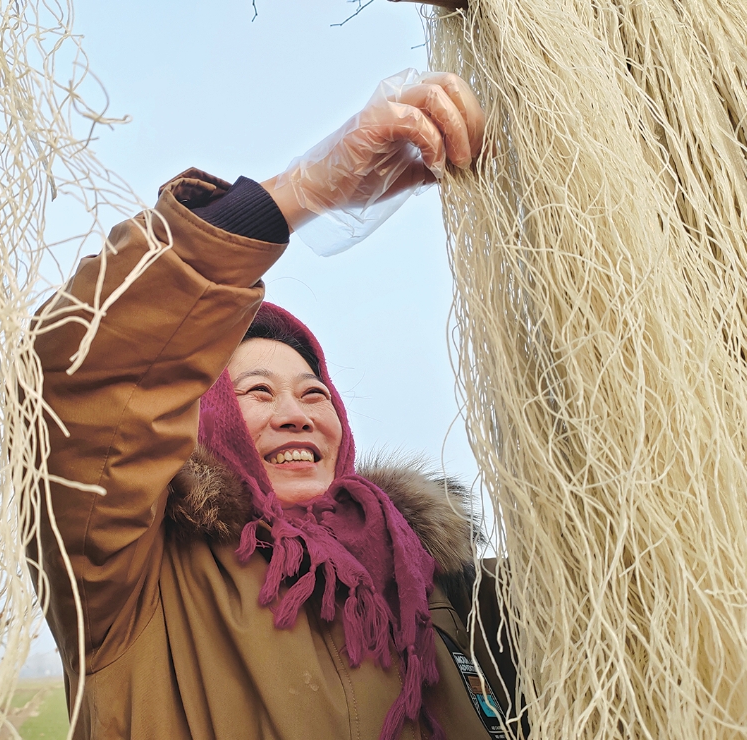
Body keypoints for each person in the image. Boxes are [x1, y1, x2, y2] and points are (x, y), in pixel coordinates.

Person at [28, 70, 518, 739]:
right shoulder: (125, 575)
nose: (298, 414)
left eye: (314, 394)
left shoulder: (428, 577)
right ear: (202, 425)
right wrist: (306, 191)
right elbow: (84, 376)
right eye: (257, 393)